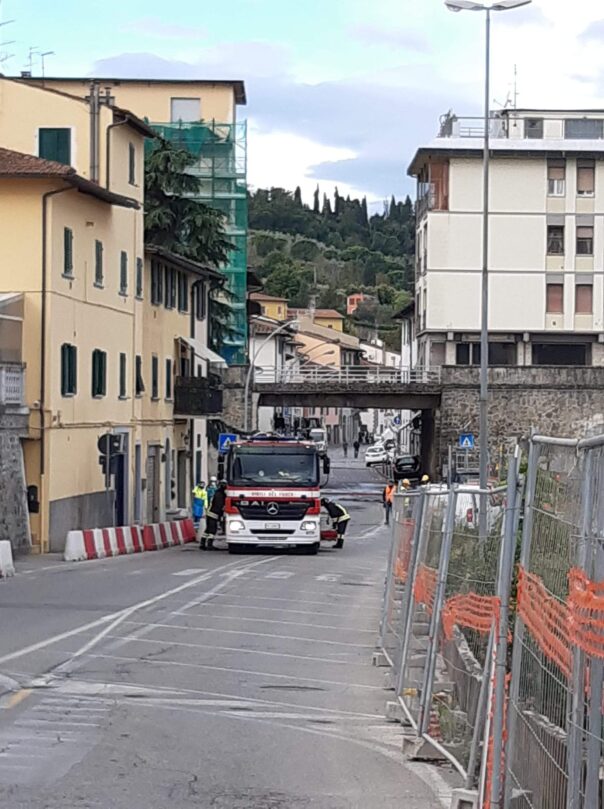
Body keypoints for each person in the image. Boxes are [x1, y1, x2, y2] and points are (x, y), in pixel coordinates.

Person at [201, 480, 227, 550]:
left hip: (210, 512)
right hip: (214, 513)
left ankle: (202, 543)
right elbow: (219, 506)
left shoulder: (217, 492)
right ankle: (209, 545)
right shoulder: (220, 494)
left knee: (208, 530)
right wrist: (222, 513)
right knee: (212, 530)